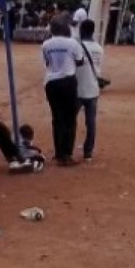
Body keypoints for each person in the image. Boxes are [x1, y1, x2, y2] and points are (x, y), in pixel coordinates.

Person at [40, 19, 83, 166]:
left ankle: (58, 153)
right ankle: (67, 154)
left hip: (51, 82)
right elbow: (80, 60)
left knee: (57, 118)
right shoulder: (72, 43)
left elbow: (47, 62)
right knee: (70, 119)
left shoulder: (46, 44)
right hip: (68, 81)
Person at [73, 19, 104, 162]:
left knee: (70, 121)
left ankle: (67, 148)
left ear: (81, 30)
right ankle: (88, 152)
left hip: (77, 88)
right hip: (93, 88)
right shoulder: (99, 48)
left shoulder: (77, 47)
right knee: (91, 122)